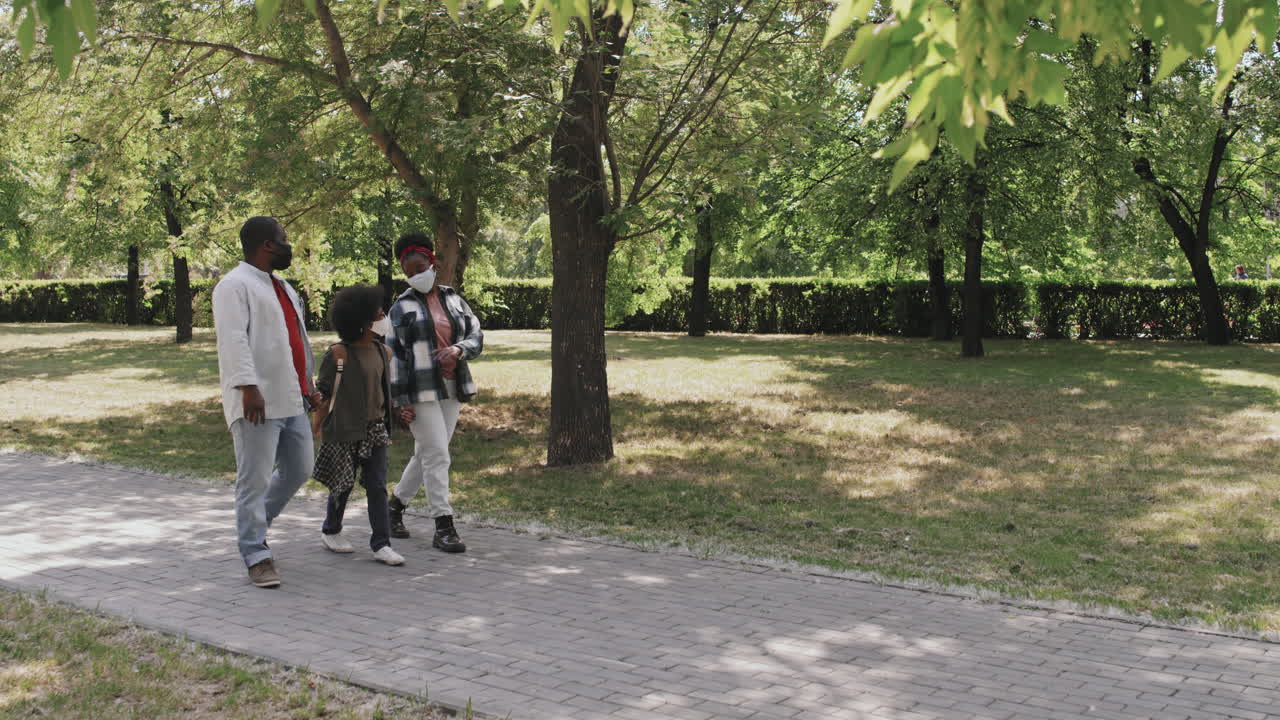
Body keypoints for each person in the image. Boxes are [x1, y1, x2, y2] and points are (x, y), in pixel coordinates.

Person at [213, 216, 321, 588]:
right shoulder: (233, 285)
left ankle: (257, 523)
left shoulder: (283, 288)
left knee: (300, 468)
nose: (289, 246)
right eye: (284, 240)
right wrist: (247, 387)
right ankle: (255, 553)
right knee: (254, 478)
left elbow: (295, 342)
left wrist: (309, 384)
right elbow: (233, 341)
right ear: (267, 245)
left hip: (291, 397)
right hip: (256, 400)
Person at [385, 233, 483, 553]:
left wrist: (457, 349)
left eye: (420, 266)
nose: (416, 274)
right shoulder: (400, 308)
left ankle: (394, 507)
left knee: (426, 453)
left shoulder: (454, 299)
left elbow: (476, 335)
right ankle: (443, 525)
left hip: (452, 387)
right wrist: (398, 403)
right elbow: (393, 358)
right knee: (438, 454)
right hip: (419, 391)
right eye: (409, 271)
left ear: (432, 263)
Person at [311, 285, 405, 566]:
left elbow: (384, 391)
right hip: (343, 429)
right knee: (342, 484)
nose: (382, 315)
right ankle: (331, 530)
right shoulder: (338, 353)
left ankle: (381, 544)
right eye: (377, 312)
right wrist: (318, 409)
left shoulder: (383, 352)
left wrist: (397, 414)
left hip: (375, 429)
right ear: (362, 321)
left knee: (377, 485)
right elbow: (324, 391)